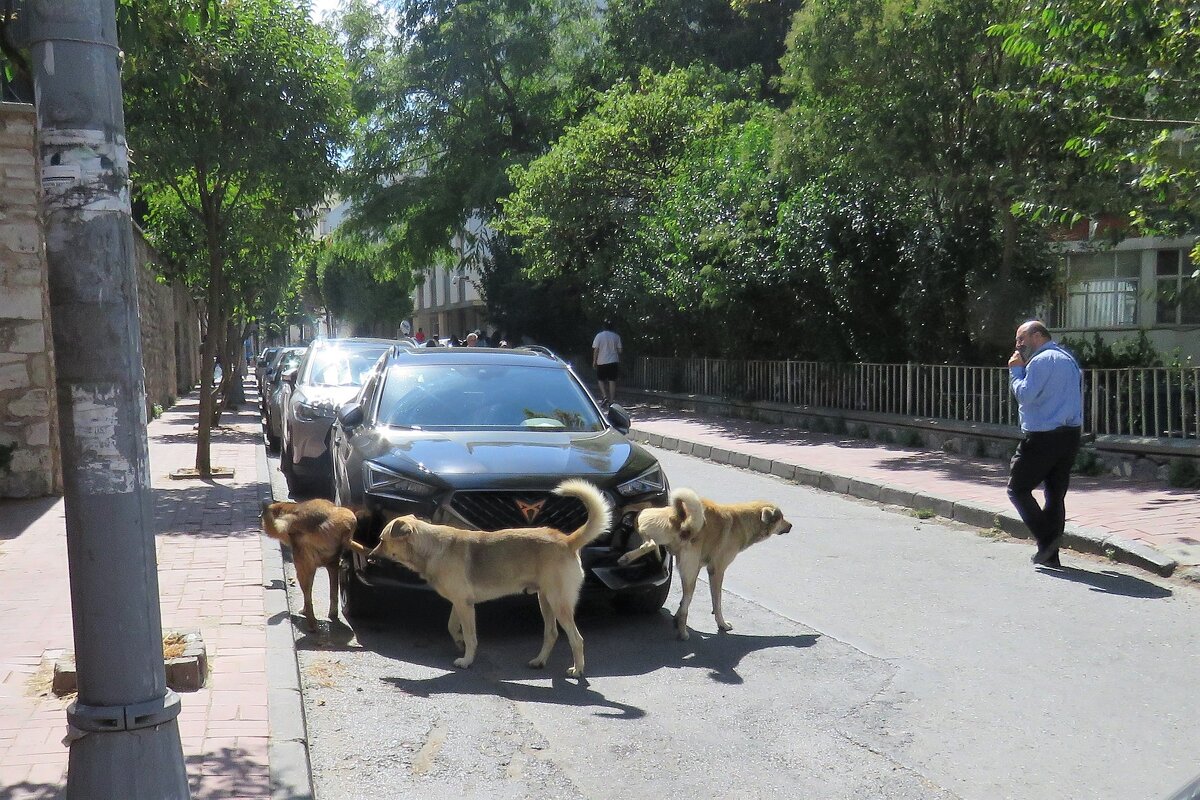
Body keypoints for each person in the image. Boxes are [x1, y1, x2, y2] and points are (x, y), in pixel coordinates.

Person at [1007, 320, 1083, 569]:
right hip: (1070, 436)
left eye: (1021, 339)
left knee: (1017, 488)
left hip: (1043, 437)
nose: (1018, 345)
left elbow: (1026, 395)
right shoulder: (1068, 359)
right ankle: (1050, 555)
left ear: (1037, 335)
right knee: (1054, 494)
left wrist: (1015, 371)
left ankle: (1047, 540)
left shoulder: (1040, 361)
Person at [591, 320, 622, 407]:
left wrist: (594, 361)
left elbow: (596, 349)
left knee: (600, 380)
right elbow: (620, 350)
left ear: (603, 327)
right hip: (613, 361)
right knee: (612, 381)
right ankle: (612, 400)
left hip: (602, 361)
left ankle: (605, 396)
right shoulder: (616, 336)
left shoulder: (599, 336)